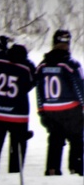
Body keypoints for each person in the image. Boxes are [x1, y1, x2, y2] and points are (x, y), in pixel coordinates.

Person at [0, 36, 36, 176]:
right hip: (19, 115)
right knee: (17, 148)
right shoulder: (27, 67)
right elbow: (33, 81)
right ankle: (15, 176)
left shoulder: (0, 61)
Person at [36, 29, 84, 176]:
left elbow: (39, 89)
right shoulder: (71, 64)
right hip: (70, 109)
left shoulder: (43, 64)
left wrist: (41, 110)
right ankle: (76, 170)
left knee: (55, 140)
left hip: (50, 109)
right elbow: (79, 86)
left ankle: (52, 169)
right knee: (76, 140)